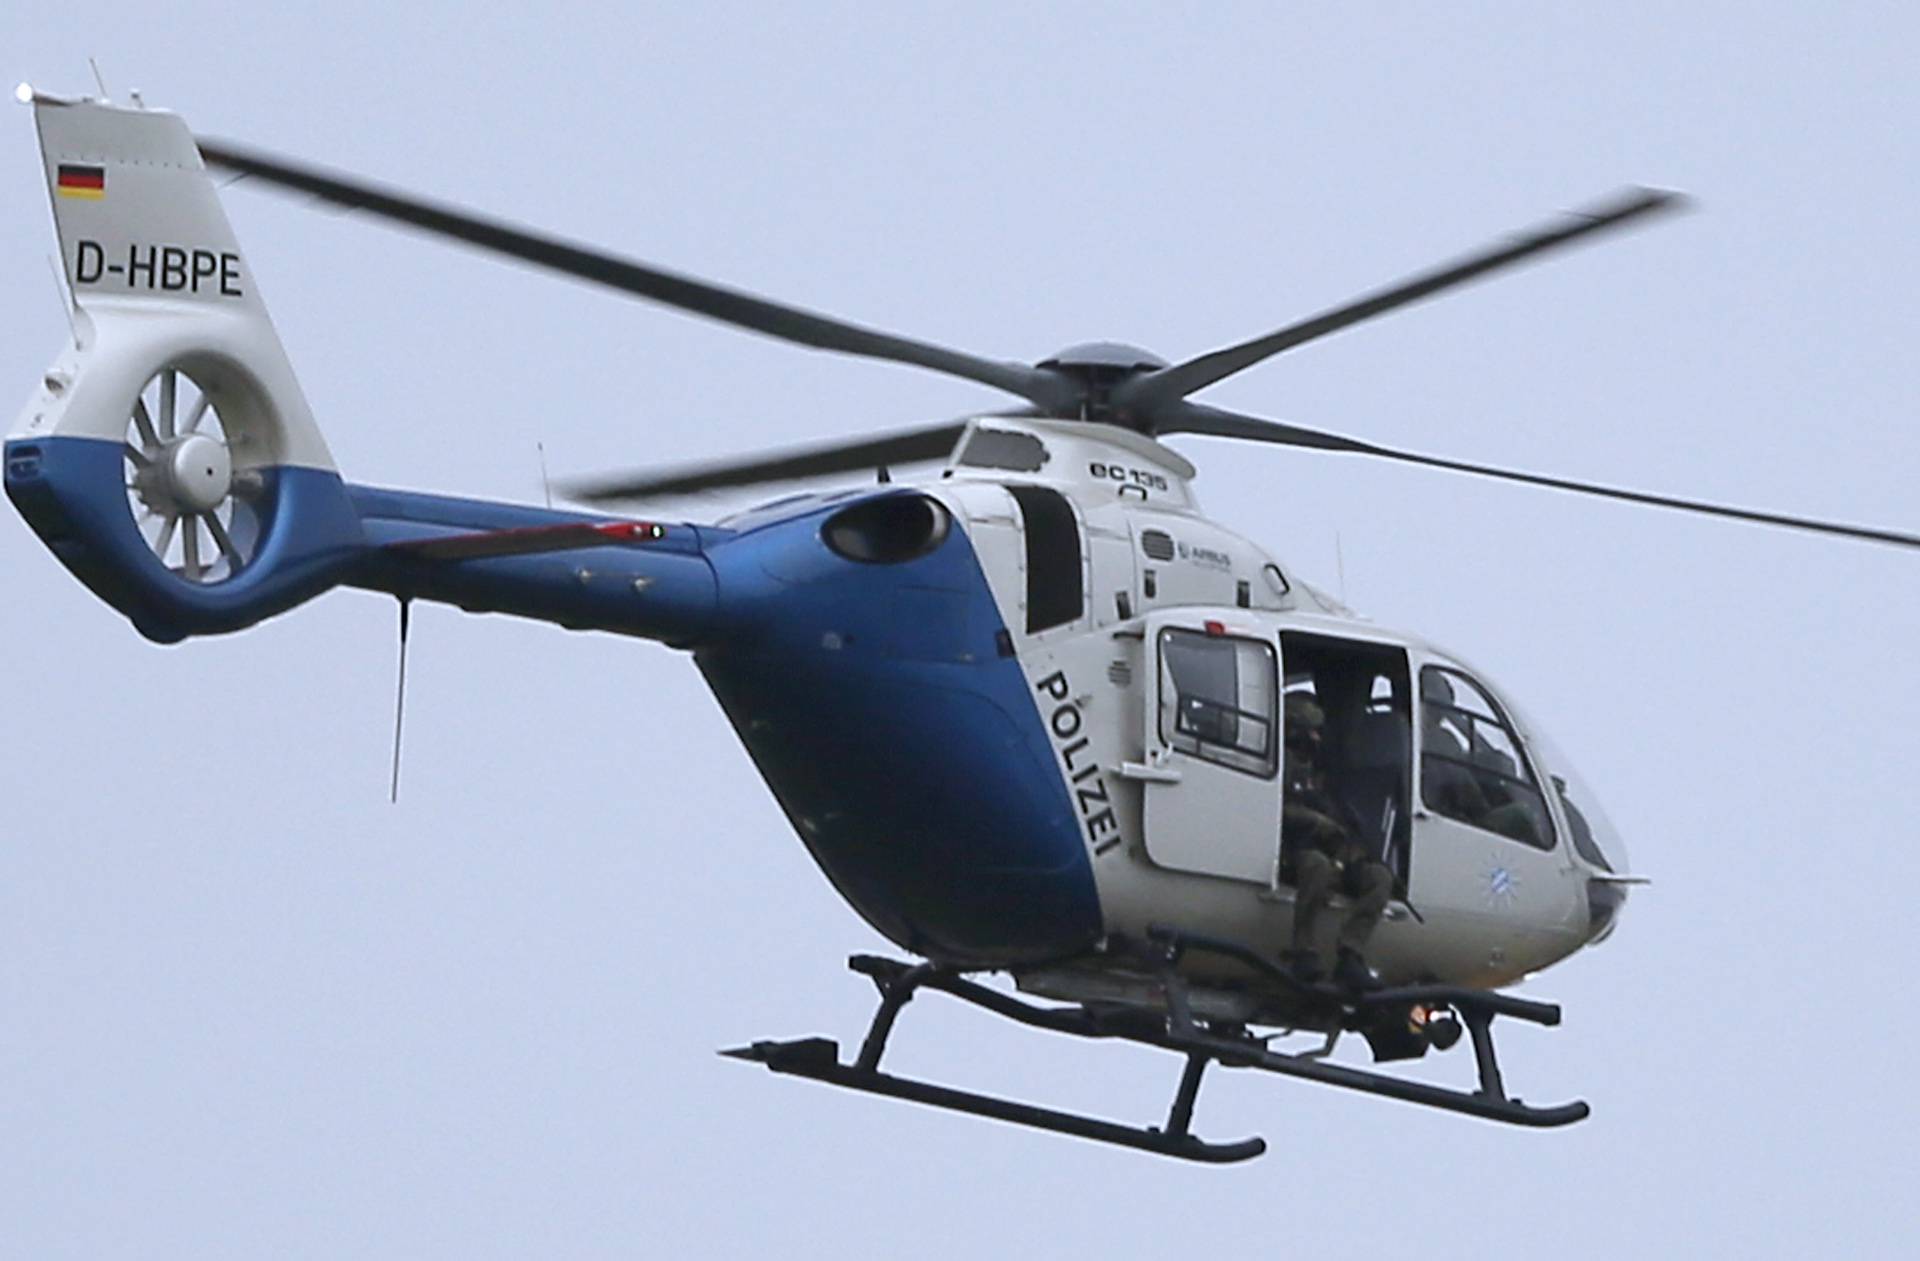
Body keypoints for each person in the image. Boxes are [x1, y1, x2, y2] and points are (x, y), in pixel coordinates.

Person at [1281, 693, 1394, 991]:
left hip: (1333, 853)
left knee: (1379, 878)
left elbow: (1342, 819)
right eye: (1310, 731)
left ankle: (1350, 954)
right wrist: (1314, 822)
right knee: (1316, 867)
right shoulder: (1279, 766)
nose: (1316, 738)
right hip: (1293, 851)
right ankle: (1303, 951)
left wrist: (1354, 852)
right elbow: (1274, 809)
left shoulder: (1322, 776)